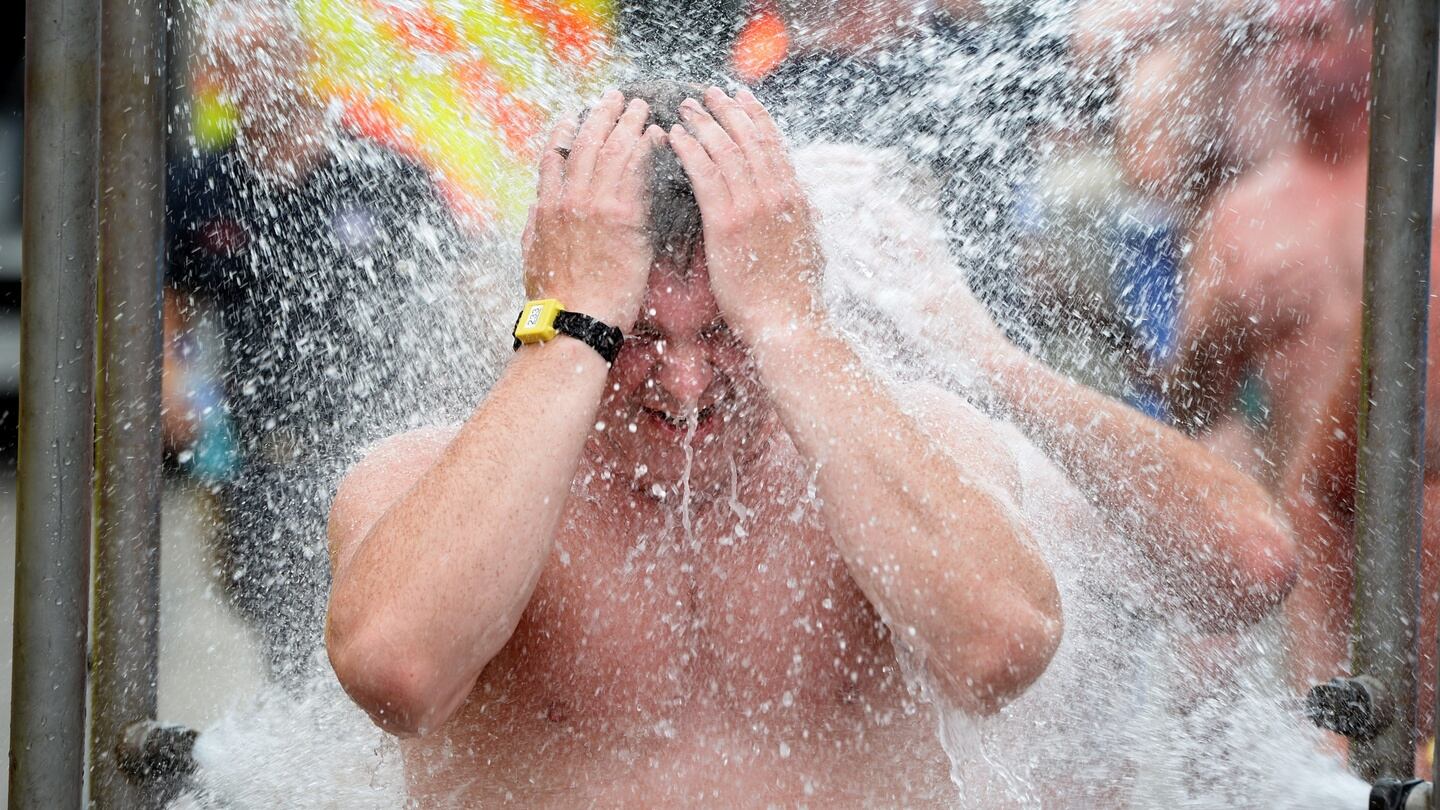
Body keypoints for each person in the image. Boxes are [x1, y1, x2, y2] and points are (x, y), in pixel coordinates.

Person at [325, 81, 1294, 804]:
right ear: (561, 297)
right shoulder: (429, 480)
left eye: (726, 334)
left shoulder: (898, 444)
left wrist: (799, 326)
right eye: (640, 337)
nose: (690, 382)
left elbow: (1000, 647)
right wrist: (569, 328)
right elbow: (397, 671)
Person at [166, 1, 463, 683]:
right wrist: (174, 374)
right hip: (266, 457)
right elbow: (170, 302)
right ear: (216, 76)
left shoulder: (382, 173)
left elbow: (452, 291)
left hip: (376, 446)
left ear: (301, 60)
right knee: (290, 646)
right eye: (235, 59)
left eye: (266, 52)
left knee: (389, 625)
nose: (255, 73)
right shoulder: (200, 186)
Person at [1168, 0, 1373, 481]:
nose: (1288, 57)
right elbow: (1191, 408)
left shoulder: (1423, 190)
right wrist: (1224, 325)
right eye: (1275, 40)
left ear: (1370, 42)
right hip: (1299, 510)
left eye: (1313, 35)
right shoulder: (1240, 212)